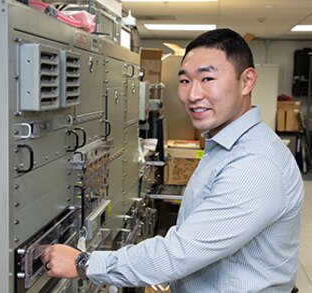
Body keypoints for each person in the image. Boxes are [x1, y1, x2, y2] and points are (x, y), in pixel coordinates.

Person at [40, 28, 304, 292]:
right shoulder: (224, 144)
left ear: (246, 81)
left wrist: (84, 262)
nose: (192, 95)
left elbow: (181, 252)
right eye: (185, 81)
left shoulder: (255, 163)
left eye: (208, 78)